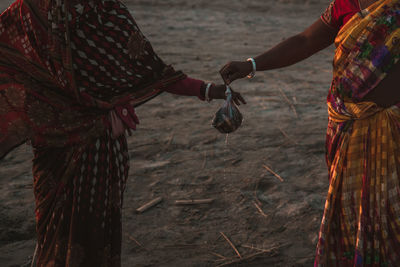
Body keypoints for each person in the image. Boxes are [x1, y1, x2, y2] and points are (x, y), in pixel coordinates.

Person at [0, 0, 245, 266]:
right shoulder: (101, 10)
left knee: (55, 227)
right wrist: (208, 89)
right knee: (85, 233)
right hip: (94, 147)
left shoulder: (30, 11)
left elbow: (9, 56)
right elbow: (150, 71)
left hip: (56, 139)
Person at [220, 0, 400, 265]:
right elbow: (305, 41)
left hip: (391, 127)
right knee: (351, 209)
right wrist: (252, 64)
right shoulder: (345, 4)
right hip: (345, 126)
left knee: (389, 212)